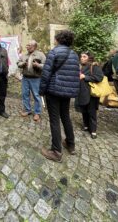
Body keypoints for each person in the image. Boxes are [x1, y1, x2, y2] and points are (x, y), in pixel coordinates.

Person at [39, 30, 80, 162]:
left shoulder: (54, 52)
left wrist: (41, 91)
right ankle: (70, 144)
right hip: (67, 92)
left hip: (54, 91)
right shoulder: (74, 54)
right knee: (66, 116)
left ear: (58, 39)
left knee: (54, 119)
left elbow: (46, 74)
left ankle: (56, 151)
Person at [76, 51, 103, 139]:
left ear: (89, 58)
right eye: (81, 56)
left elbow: (99, 77)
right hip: (82, 92)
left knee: (91, 112)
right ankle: (86, 126)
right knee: (84, 109)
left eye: (84, 57)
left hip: (91, 93)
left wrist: (85, 77)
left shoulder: (94, 66)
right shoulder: (81, 66)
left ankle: (93, 130)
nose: (82, 58)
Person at [17, 40, 46, 122]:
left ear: (35, 46)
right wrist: (22, 64)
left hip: (36, 79)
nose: (27, 47)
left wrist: (38, 65)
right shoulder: (24, 55)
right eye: (27, 45)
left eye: (29, 45)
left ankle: (37, 112)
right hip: (25, 78)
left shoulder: (40, 55)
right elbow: (18, 63)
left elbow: (46, 65)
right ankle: (27, 110)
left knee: (37, 96)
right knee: (25, 94)